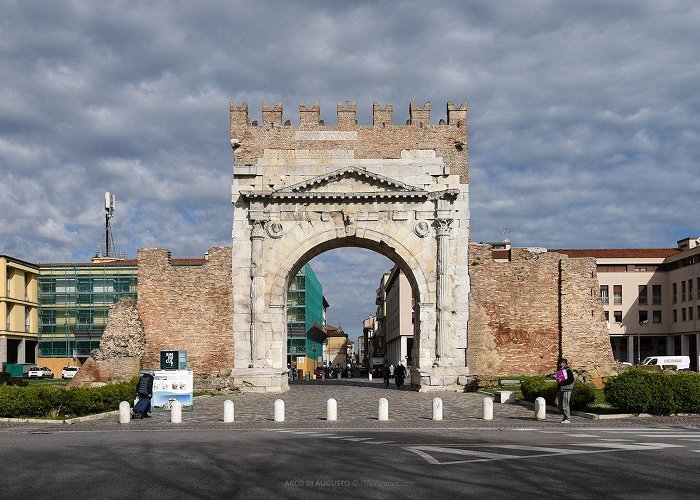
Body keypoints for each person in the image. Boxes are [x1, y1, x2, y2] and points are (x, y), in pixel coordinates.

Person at [556, 358, 575, 423]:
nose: (559, 364)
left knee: (565, 404)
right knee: (557, 403)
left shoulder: (568, 370)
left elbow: (571, 380)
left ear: (563, 363)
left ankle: (567, 418)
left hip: (567, 389)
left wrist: (562, 381)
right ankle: (565, 415)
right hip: (561, 389)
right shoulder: (561, 370)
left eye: (560, 363)